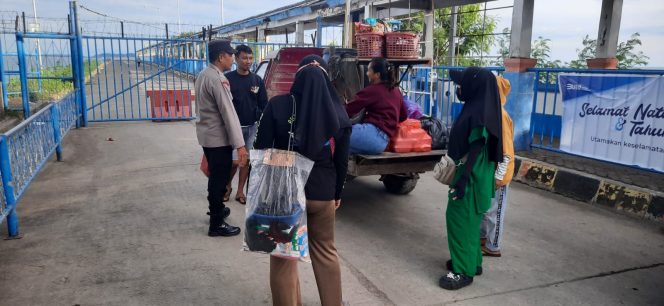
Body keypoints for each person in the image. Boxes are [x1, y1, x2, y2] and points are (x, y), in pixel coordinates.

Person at [254, 55, 351, 306]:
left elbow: (261, 149)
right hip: (323, 192)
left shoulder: (277, 105)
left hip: (284, 193)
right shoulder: (338, 112)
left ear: (297, 77)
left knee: (284, 257)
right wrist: (337, 193)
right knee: (326, 252)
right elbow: (342, 161)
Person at [440, 67, 503, 290]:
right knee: (471, 223)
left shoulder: (478, 114)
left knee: (458, 221)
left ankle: (462, 272)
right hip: (478, 176)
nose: (459, 88)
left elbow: (476, 146)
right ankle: (472, 261)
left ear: (474, 86)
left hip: (471, 176)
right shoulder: (481, 108)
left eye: (462, 83)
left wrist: (463, 179)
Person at [194, 40, 248, 237]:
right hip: (218, 138)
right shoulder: (218, 79)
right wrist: (240, 144)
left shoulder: (204, 74)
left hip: (207, 135)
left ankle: (216, 210)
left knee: (216, 177)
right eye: (231, 54)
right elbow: (228, 113)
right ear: (221, 57)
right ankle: (216, 223)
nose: (233, 58)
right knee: (219, 180)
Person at [225, 44, 268, 204]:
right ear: (236, 59)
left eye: (250, 58)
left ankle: (240, 191)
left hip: (252, 128)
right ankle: (227, 185)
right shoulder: (228, 79)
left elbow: (264, 103)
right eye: (244, 58)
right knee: (235, 161)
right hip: (234, 129)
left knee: (246, 161)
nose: (248, 61)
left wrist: (258, 116)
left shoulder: (256, 80)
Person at [480, 75, 514, 257]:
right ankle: (484, 238)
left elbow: (506, 152)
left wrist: (498, 178)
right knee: (487, 209)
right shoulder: (492, 113)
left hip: (500, 174)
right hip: (492, 172)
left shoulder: (500, 116)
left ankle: (494, 246)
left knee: (496, 212)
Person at [345, 57, 408, 155]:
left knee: (332, 136)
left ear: (377, 75)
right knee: (342, 149)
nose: (367, 73)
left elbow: (349, 109)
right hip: (383, 143)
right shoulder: (396, 91)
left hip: (372, 135)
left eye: (369, 70)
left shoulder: (373, 90)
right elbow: (403, 116)